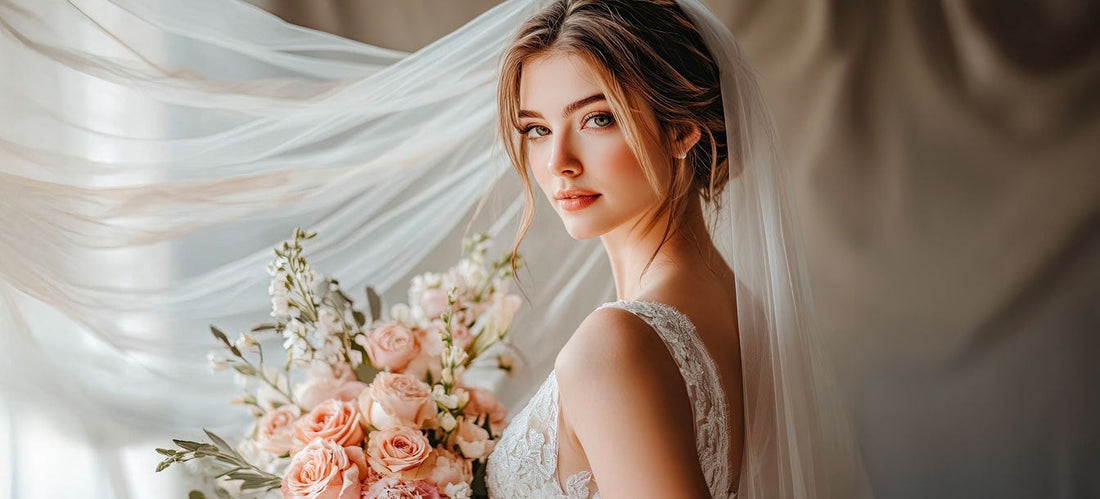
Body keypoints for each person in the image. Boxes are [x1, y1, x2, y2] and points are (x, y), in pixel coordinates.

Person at [485, 1, 868, 498]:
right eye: (536, 129)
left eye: (597, 119)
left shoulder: (615, 344)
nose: (558, 161)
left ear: (682, 130)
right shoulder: (737, 305)